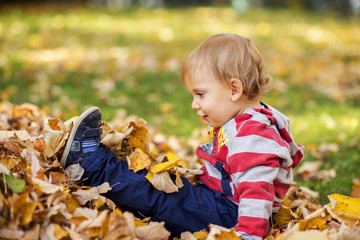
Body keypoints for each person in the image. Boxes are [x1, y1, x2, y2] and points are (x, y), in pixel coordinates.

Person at [60, 33, 304, 240]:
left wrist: (248, 235)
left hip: (229, 216)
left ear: (234, 90)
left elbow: (255, 191)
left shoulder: (253, 135)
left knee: (159, 196)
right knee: (162, 183)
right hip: (219, 203)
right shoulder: (245, 121)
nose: (194, 105)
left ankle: (90, 165)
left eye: (200, 94)